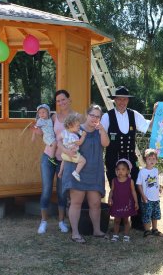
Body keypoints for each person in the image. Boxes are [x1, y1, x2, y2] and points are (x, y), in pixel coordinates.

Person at [101, 86, 155, 229]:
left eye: (124, 99)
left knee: (136, 187)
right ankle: (117, 220)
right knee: (116, 189)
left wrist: (156, 113)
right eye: (119, 99)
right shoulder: (107, 116)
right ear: (115, 100)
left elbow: (149, 127)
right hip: (113, 159)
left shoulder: (134, 115)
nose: (122, 102)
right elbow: (100, 135)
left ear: (128, 101)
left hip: (131, 159)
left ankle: (137, 222)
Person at [62, 104, 109, 243]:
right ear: (87, 115)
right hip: (78, 171)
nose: (94, 118)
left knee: (95, 203)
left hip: (95, 171)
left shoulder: (99, 130)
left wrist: (102, 130)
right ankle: (75, 233)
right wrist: (66, 152)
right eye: (92, 115)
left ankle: (97, 230)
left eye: (97, 116)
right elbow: (62, 143)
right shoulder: (77, 128)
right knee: (76, 202)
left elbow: (106, 144)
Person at [33, 90, 78, 235]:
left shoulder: (76, 117)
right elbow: (44, 133)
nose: (61, 103)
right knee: (46, 189)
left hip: (64, 160)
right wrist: (38, 133)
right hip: (48, 157)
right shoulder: (52, 117)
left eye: (63, 100)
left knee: (61, 192)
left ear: (69, 100)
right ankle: (43, 222)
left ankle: (61, 222)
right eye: (58, 101)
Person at [108, 159, 139, 242]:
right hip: (117, 203)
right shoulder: (114, 181)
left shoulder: (130, 181)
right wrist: (109, 198)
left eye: (123, 169)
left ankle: (126, 235)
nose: (120, 171)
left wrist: (136, 202)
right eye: (118, 169)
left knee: (126, 220)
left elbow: (133, 191)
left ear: (128, 171)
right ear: (116, 171)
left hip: (126, 204)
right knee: (117, 220)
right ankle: (115, 235)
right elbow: (112, 191)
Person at [136, 149, 162, 237]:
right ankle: (147, 231)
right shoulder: (142, 172)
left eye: (154, 159)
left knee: (155, 214)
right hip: (146, 199)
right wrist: (143, 196)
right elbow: (139, 184)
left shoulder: (156, 170)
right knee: (147, 215)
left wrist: (159, 187)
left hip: (156, 198)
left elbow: (156, 181)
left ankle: (155, 229)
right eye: (149, 159)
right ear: (145, 159)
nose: (152, 161)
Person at [58, 113, 87, 181]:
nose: (79, 127)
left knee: (64, 160)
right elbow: (79, 143)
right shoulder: (73, 136)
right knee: (83, 161)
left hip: (64, 154)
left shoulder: (64, 132)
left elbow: (59, 138)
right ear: (70, 126)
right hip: (73, 154)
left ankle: (60, 171)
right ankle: (76, 172)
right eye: (77, 126)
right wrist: (83, 136)